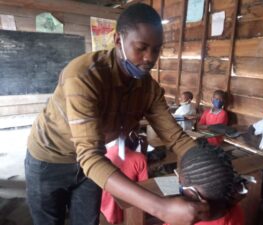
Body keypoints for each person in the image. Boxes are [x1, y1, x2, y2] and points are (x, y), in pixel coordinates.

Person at [25, 3, 208, 225]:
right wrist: (161, 208)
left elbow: (176, 138)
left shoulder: (147, 88)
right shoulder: (84, 77)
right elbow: (90, 156)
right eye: (141, 48)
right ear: (118, 40)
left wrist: (209, 167)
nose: (150, 58)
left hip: (91, 164)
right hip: (49, 159)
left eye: (156, 49)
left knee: (87, 221)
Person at [163, 141, 246, 225]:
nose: (178, 183)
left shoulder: (182, 220)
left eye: (180, 182)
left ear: (193, 194)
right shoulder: (235, 210)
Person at [101, 131, 148, 224]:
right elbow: (145, 186)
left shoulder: (100, 159)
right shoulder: (140, 159)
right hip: (130, 210)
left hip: (104, 211)